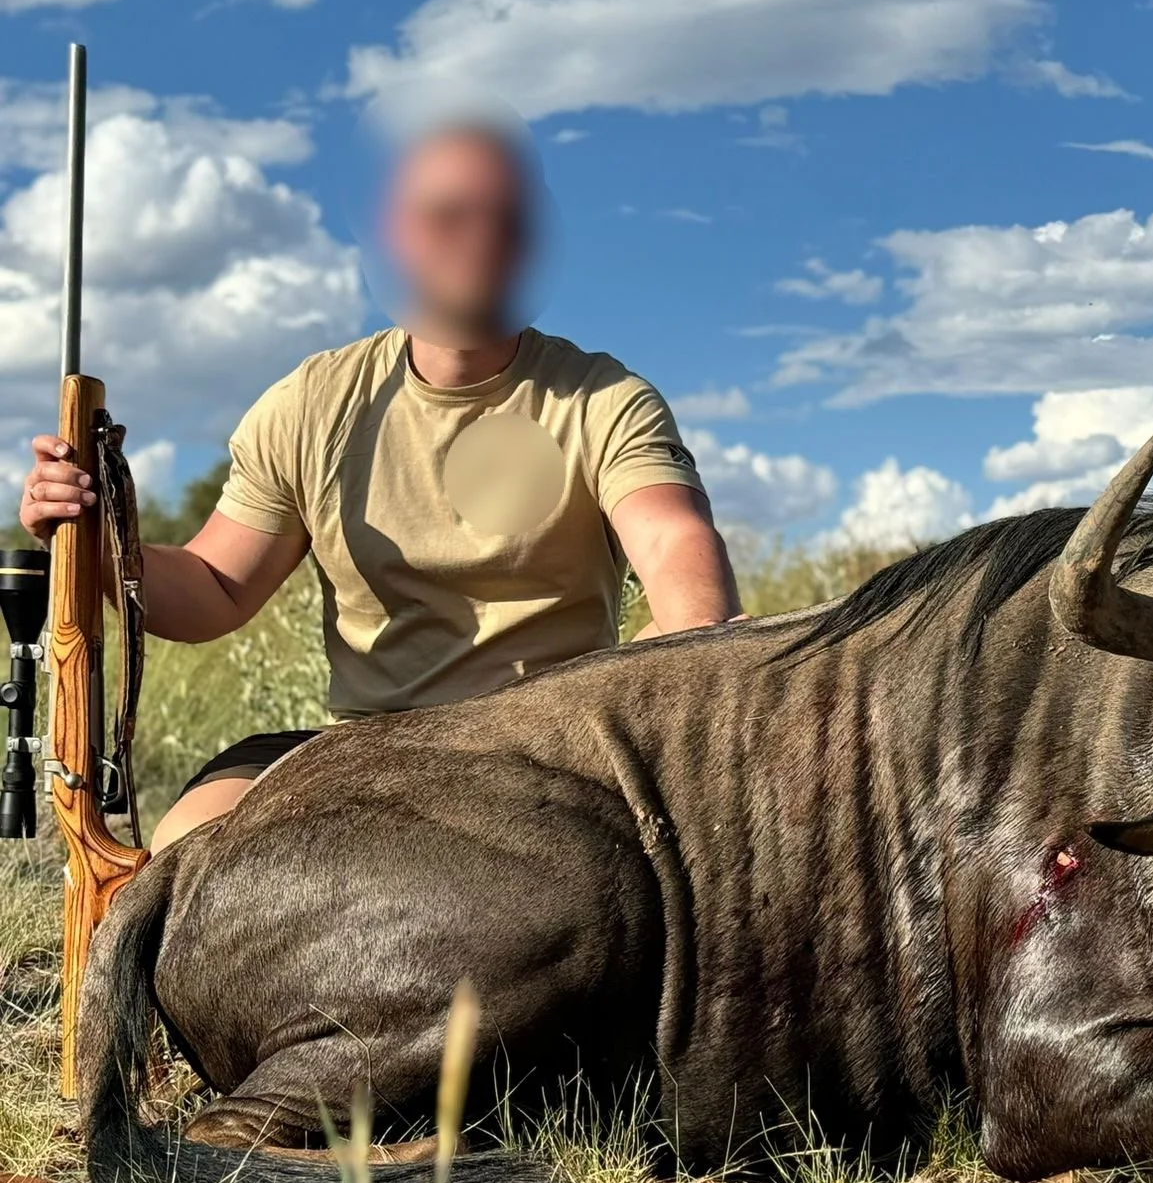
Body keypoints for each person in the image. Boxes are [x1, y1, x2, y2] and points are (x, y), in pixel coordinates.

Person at [17, 119, 741, 852]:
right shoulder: (312, 402)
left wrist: (656, 661)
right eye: (449, 216)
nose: (480, 239)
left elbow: (681, 560)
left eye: (505, 220)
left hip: (548, 748)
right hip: (363, 750)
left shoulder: (603, 399)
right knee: (182, 851)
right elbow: (215, 587)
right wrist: (98, 537)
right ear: (396, 236)